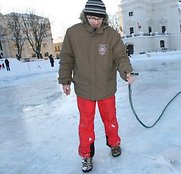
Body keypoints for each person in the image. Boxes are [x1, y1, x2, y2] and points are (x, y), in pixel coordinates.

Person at [58, 0, 134, 172]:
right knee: (86, 124)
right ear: (85, 15)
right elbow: (66, 58)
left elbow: (121, 56)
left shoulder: (111, 35)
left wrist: (127, 71)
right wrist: (65, 80)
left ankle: (114, 144)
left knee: (110, 120)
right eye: (91, 17)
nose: (95, 22)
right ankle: (86, 155)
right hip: (84, 89)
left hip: (106, 87)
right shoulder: (73, 33)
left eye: (99, 18)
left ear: (104, 18)